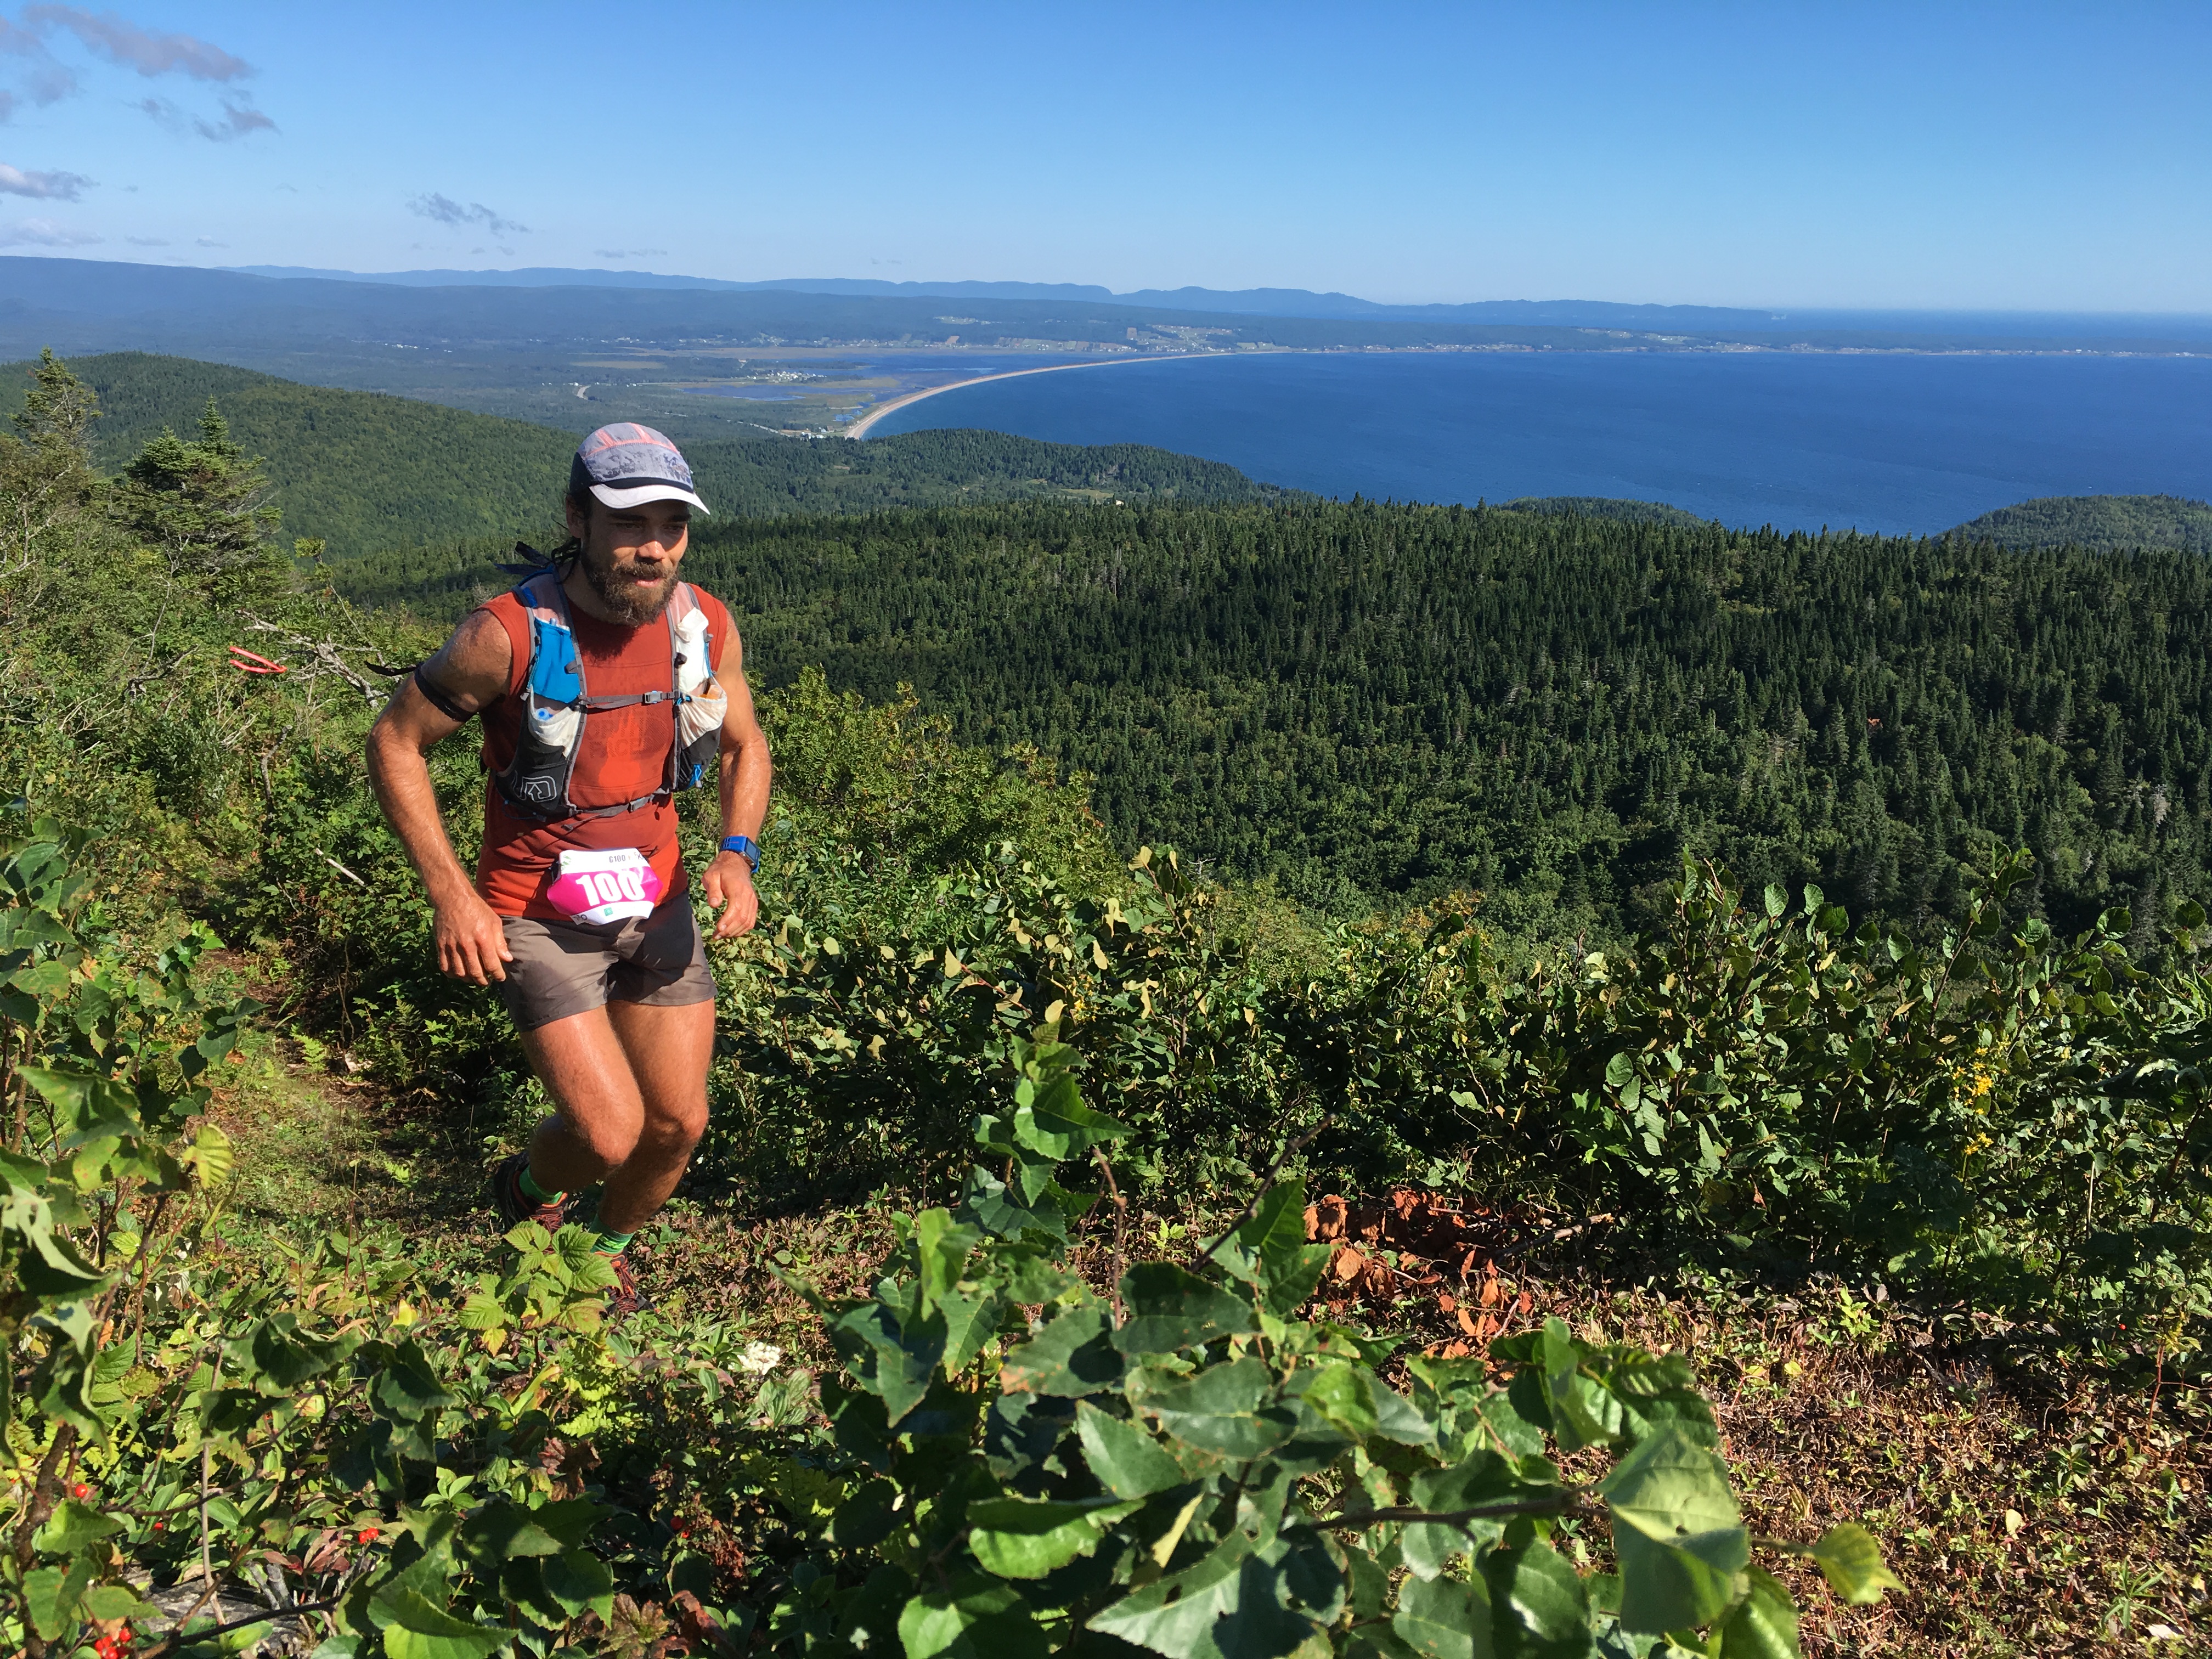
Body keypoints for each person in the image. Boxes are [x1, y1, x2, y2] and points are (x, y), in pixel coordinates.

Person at [366, 423, 771, 1312]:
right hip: (537, 914)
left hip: (655, 903)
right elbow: (395, 741)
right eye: (629, 523)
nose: (653, 546)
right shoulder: (505, 635)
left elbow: (746, 748)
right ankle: (528, 1193)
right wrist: (451, 893)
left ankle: (597, 1255)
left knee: (676, 1127)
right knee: (609, 1130)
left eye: (671, 523)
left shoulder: (704, 625)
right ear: (577, 520)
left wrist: (736, 855)